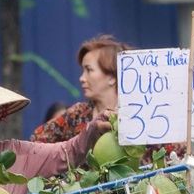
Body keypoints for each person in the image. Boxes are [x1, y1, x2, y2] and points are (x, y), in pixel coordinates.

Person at [30, 34, 185, 161]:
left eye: (89, 70)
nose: (82, 78)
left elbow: (179, 153)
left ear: (112, 76)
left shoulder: (142, 114)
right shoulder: (78, 115)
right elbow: (37, 141)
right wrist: (58, 180)